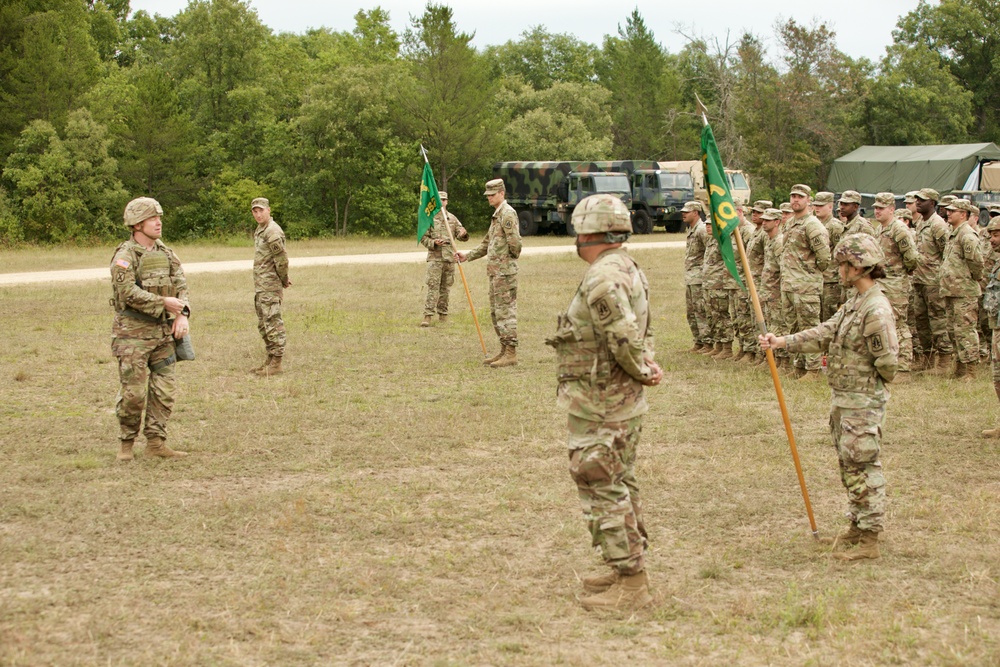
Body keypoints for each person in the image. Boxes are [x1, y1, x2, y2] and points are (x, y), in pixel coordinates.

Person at [546, 193, 662, 610]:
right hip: (614, 398)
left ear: (588, 232)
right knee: (618, 480)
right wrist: (644, 367)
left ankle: (633, 584)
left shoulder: (604, 276)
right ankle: (622, 566)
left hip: (604, 402)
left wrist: (643, 370)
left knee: (600, 480)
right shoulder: (625, 267)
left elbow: (624, 338)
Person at [759, 233, 898, 561]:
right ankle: (858, 524)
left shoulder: (875, 308)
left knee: (863, 464)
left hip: (862, 401)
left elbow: (888, 362)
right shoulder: (855, 302)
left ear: (858, 267)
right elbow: (826, 332)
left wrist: (866, 385)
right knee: (849, 464)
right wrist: (782, 342)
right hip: (845, 398)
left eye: (843, 265)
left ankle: (870, 539)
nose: (839, 270)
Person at [110, 197, 191, 461]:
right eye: (151, 218)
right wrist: (162, 302)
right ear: (136, 224)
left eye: (159, 217)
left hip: (163, 333)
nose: (158, 222)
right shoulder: (125, 256)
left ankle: (156, 443)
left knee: (164, 391)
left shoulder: (166, 252)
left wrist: (182, 315)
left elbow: (181, 285)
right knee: (133, 394)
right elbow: (127, 291)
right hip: (132, 334)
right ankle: (126, 444)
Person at [455, 178, 521, 368]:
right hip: (495, 272)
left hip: (504, 272)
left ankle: (511, 353)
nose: (489, 198)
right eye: (488, 196)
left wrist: (508, 261)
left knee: (505, 312)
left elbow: (515, 243)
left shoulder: (507, 214)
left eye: (492, 195)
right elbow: (487, 243)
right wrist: (467, 256)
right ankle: (503, 349)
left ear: (502, 193)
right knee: (496, 312)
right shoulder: (496, 215)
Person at [779, 184, 831, 379]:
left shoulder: (813, 225)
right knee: (793, 328)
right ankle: (799, 366)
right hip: (789, 285)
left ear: (808, 200)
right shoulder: (790, 223)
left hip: (806, 287)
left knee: (809, 329)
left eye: (799, 197)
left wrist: (809, 274)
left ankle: (814, 369)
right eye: (792, 196)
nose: (795, 200)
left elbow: (824, 258)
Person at [872, 193, 920, 381]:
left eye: (881, 208)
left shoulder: (899, 229)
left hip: (896, 285)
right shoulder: (880, 229)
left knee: (898, 325)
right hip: (882, 285)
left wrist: (900, 274)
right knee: (884, 324)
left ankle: (904, 367)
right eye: (875, 208)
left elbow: (912, 258)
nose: (877, 211)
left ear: (891, 209)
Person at [939, 198, 984, 379]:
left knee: (965, 330)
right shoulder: (954, 232)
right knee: (953, 330)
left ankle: (971, 370)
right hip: (951, 290)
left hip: (964, 291)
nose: (948, 213)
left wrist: (971, 279)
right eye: (948, 210)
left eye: (953, 211)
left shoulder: (967, 235)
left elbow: (977, 263)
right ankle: (960, 367)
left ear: (963, 214)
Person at [911, 188, 952, 372]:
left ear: (933, 204)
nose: (918, 203)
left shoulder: (938, 225)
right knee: (921, 321)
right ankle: (926, 357)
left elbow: (947, 254)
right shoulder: (920, 222)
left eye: (923, 200)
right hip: (919, 280)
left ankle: (944, 360)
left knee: (938, 321)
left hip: (934, 281)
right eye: (917, 200)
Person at [251, 197, 291, 376]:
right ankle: (270, 358)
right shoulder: (261, 230)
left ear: (268, 210)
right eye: (255, 211)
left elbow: (281, 260)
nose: (258, 214)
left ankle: (277, 362)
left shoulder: (272, 232)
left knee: (273, 321)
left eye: (261, 210)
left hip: (270, 285)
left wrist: (284, 279)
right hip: (261, 285)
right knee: (264, 323)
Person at [419, 191, 468, 327]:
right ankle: (427, 316)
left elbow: (461, 233)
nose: (442, 202)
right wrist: (434, 243)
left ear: (447, 201)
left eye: (444, 200)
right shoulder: (430, 219)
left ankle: (443, 315)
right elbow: (423, 238)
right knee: (433, 287)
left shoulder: (452, 218)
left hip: (449, 259)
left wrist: (463, 234)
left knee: (445, 289)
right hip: (435, 259)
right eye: (440, 200)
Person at [682, 201, 711, 352]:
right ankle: (698, 341)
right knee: (691, 311)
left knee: (700, 310)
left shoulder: (702, 229)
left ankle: (707, 342)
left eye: (687, 211)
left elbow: (710, 251)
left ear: (696, 212)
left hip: (699, 277)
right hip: (691, 277)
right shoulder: (692, 229)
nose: (683, 214)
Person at [981, 216, 1000, 438]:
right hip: (997, 327)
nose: (992, 241)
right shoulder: (997, 261)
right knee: (997, 379)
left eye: (996, 235)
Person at [815, 192, 846, 321]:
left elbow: (841, 252)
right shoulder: (815, 224)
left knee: (830, 316)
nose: (817, 208)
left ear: (830, 206)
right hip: (818, 279)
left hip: (831, 281)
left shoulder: (835, 226)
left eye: (821, 205)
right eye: (816, 205)